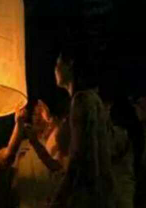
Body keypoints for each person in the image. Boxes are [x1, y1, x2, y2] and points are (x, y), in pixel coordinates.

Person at [49, 47, 115, 208]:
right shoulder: (88, 100)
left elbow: (79, 155)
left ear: (70, 64)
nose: (55, 69)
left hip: (85, 196)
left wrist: (60, 197)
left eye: (58, 63)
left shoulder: (82, 100)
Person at [11, 100, 69, 208]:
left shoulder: (54, 144)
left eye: (40, 114)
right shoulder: (23, 145)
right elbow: (14, 177)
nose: (37, 118)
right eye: (34, 114)